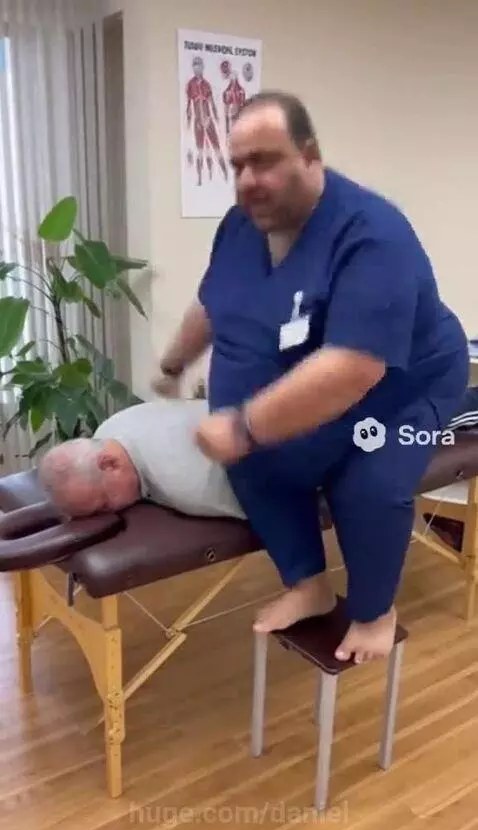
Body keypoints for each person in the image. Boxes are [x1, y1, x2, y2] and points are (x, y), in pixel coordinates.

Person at [152, 89, 469, 665]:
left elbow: (354, 368)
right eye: (238, 165)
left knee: (367, 482)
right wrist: (174, 364)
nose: (249, 179)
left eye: (265, 160)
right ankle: (308, 584)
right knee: (258, 461)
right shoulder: (241, 225)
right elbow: (213, 301)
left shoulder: (374, 234)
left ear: (310, 154)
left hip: (407, 386)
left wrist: (245, 425)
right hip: (323, 383)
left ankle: (375, 613)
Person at [37, 398, 246, 521]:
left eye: (105, 505)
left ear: (109, 463)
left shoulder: (186, 484)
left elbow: (266, 506)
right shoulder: (107, 430)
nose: (111, 512)